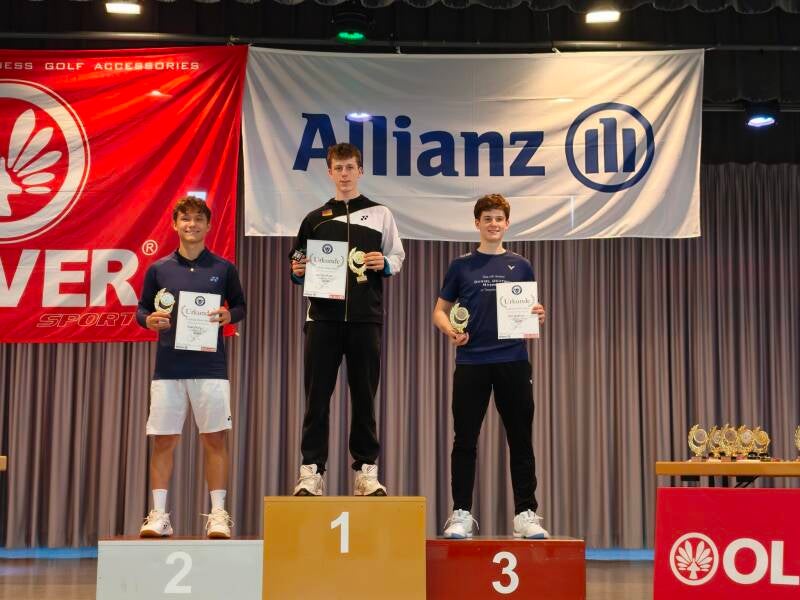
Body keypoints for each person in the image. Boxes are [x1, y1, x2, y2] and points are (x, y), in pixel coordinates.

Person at [289, 142, 405, 496]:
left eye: (350, 167)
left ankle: (366, 472)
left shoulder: (381, 213)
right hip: (322, 319)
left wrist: (384, 263)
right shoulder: (314, 219)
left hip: (365, 319)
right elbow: (297, 262)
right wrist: (297, 270)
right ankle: (311, 472)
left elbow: (397, 256)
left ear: (360, 171)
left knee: (365, 398)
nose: (344, 174)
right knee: (316, 399)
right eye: (338, 168)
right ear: (329, 172)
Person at [432, 193, 549, 540]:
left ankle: (526, 514)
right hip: (471, 363)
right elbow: (439, 311)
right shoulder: (461, 266)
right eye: (487, 219)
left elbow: (528, 310)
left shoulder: (522, 265)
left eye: (499, 218)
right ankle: (461, 514)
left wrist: (538, 314)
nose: (493, 224)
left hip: (513, 361)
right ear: (477, 223)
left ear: (507, 223)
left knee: (521, 439)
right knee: (464, 440)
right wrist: (450, 330)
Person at [136, 195, 246, 538]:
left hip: (211, 368)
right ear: (175, 225)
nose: (192, 224)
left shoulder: (224, 268)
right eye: (185, 219)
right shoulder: (159, 269)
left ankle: (218, 514)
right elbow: (142, 310)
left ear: (209, 225)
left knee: (215, 440)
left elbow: (240, 306)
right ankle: (159, 515)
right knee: (163, 441)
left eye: (198, 219)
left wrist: (228, 315)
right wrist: (148, 320)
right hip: (168, 369)